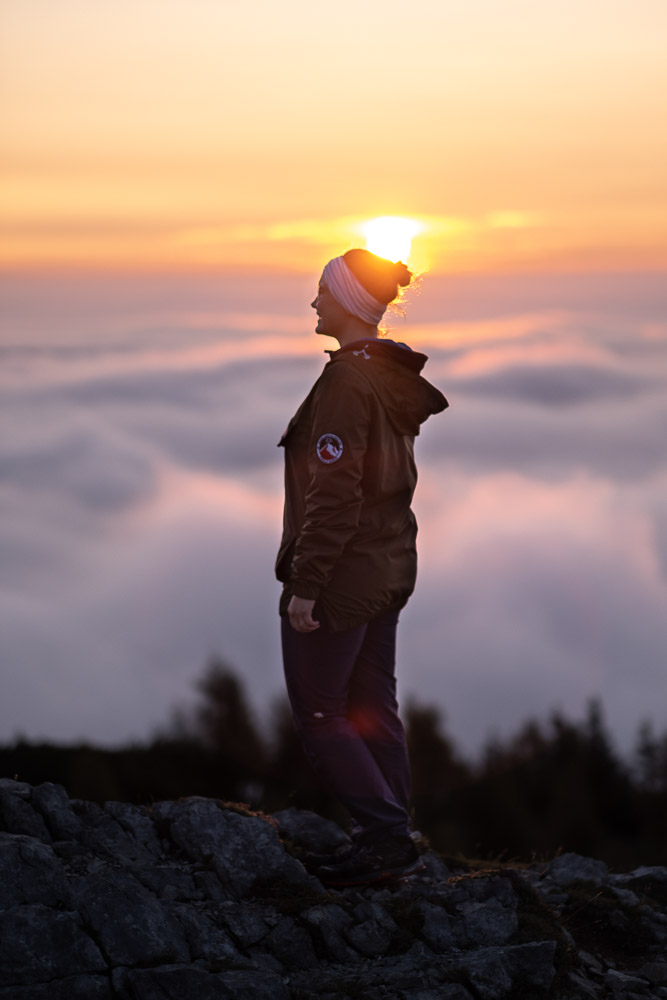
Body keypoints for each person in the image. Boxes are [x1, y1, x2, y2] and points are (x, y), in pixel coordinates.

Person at [276, 248, 447, 887]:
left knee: (322, 716)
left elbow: (336, 494)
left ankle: (383, 840)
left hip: (343, 577)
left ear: (347, 301)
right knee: (374, 705)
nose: (314, 302)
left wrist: (306, 586)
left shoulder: (347, 384)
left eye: (322, 291)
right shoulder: (381, 373)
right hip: (387, 564)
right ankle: (395, 836)